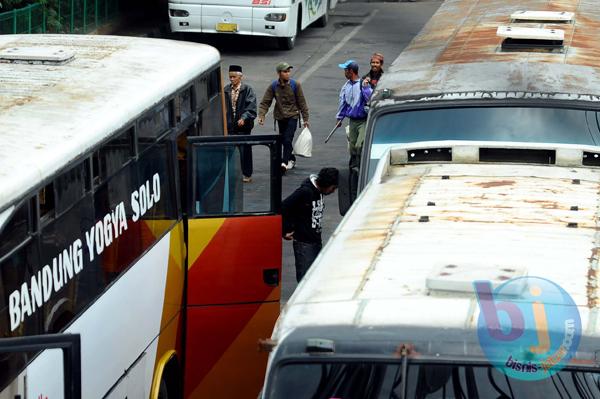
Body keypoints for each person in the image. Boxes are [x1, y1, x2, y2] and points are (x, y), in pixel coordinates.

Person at [282, 167, 339, 282]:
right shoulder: (305, 192)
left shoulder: (319, 192)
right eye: (333, 188)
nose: (333, 191)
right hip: (304, 243)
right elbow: (284, 207)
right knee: (306, 279)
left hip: (315, 240)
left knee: (314, 276)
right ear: (326, 184)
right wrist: (285, 229)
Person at [257, 62, 310, 174]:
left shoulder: (296, 85)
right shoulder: (273, 86)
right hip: (280, 117)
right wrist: (261, 115)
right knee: (283, 140)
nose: (287, 74)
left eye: (288, 71)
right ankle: (291, 158)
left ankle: (284, 163)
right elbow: (265, 102)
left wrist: (305, 119)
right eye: (285, 72)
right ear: (279, 73)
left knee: (287, 138)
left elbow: (302, 103)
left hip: (293, 116)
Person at [335, 60, 373, 171]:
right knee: (352, 146)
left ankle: (362, 167)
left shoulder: (363, 84)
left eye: (345, 70)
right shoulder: (345, 87)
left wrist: (366, 89)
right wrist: (339, 118)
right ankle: (354, 166)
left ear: (351, 71)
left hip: (363, 120)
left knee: (359, 145)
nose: (344, 73)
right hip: (352, 121)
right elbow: (343, 104)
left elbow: (370, 99)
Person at [224, 65, 257, 182]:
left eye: (234, 77)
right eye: (230, 77)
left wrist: (244, 117)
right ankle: (231, 174)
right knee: (230, 151)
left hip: (243, 127)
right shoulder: (226, 90)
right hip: (230, 126)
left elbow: (251, 108)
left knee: (245, 151)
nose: (231, 79)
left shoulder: (247, 90)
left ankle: (247, 174)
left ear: (240, 77)